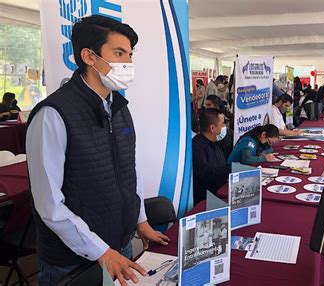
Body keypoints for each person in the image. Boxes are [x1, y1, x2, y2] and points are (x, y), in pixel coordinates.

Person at [26, 15, 170, 286]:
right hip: (74, 260)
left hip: (120, 245)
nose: (127, 62)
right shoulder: (53, 114)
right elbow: (49, 204)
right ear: (89, 57)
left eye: (129, 54)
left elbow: (128, 172)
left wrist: (140, 221)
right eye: (118, 53)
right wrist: (100, 251)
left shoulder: (119, 107)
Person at [192, 108, 231, 205]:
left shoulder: (216, 143)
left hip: (222, 192)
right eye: (222, 124)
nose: (224, 126)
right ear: (212, 128)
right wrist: (230, 169)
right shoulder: (197, 146)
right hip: (207, 200)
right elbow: (206, 173)